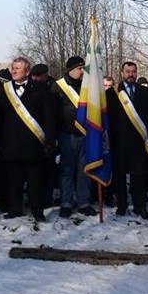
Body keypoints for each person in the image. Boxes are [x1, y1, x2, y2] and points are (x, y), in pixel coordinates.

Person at [0, 57, 55, 224]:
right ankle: (15, 209)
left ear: (27, 71)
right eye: (13, 68)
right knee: (14, 181)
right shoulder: (4, 90)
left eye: (17, 68)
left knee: (35, 182)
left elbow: (49, 117)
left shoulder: (41, 89)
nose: (14, 71)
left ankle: (37, 211)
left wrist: (49, 141)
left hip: (34, 145)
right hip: (11, 144)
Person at [107, 61, 148, 220]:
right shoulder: (112, 93)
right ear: (122, 73)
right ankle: (122, 204)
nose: (131, 74)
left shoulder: (146, 93)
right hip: (119, 141)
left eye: (133, 71)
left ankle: (139, 206)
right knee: (120, 175)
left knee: (139, 175)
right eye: (127, 71)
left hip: (139, 142)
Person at [52, 55, 95, 218]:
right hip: (66, 134)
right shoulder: (58, 87)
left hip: (86, 134)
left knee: (84, 170)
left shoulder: (88, 86)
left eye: (84, 68)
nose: (83, 71)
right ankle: (66, 202)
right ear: (71, 70)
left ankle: (84, 202)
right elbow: (54, 113)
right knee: (67, 170)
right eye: (80, 68)